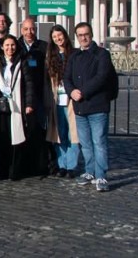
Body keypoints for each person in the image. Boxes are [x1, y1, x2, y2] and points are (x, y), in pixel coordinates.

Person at [64, 22, 116, 192]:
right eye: (80, 35)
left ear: (91, 34)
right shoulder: (74, 56)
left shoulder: (102, 54)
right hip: (80, 107)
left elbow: (102, 77)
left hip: (97, 105)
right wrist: (71, 92)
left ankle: (101, 175)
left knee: (99, 142)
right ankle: (89, 171)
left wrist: (82, 92)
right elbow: (67, 78)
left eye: (86, 34)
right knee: (85, 144)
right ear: (76, 37)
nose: (83, 38)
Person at [0, 35, 33, 180]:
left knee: (17, 139)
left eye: (12, 45)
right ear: (2, 47)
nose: (9, 48)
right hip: (1, 106)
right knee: (3, 139)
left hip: (17, 105)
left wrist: (29, 104)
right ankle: (2, 170)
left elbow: (29, 84)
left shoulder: (22, 61)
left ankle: (15, 170)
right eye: (7, 45)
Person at [45, 25, 78, 178]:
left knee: (73, 134)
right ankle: (61, 165)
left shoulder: (74, 54)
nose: (58, 39)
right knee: (59, 133)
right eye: (54, 37)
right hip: (56, 100)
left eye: (60, 35)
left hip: (71, 100)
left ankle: (71, 166)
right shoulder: (50, 56)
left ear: (65, 35)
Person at [18, 17, 49, 176]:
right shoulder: (15, 46)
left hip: (39, 93)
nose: (29, 32)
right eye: (26, 29)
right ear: (21, 30)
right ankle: (24, 164)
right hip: (20, 95)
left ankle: (41, 165)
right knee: (22, 131)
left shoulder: (44, 47)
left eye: (32, 29)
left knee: (39, 130)